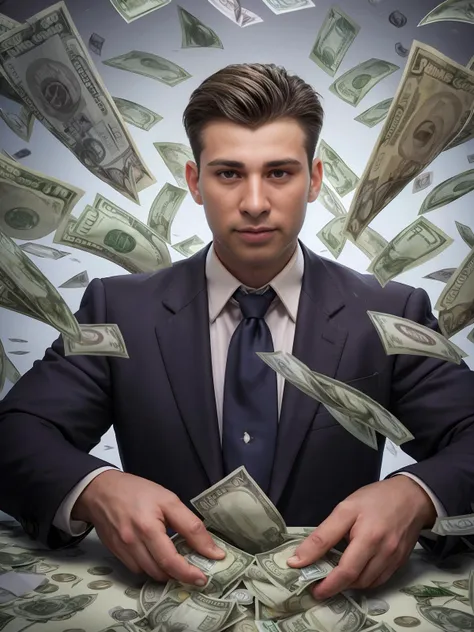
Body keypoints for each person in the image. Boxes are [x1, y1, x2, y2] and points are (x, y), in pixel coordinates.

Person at [1, 62, 474, 602]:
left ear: (315, 180)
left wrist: (417, 495)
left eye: (279, 173)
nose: (253, 202)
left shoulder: (393, 312)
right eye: (228, 173)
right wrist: (94, 489)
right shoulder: (118, 310)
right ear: (195, 183)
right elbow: (15, 434)